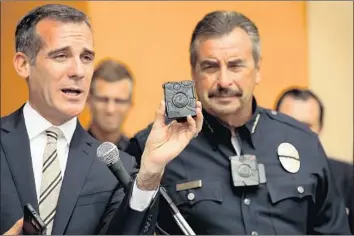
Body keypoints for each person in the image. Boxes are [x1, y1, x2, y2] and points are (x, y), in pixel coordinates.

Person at [125, 10, 351, 234]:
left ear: (258, 69)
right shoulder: (156, 148)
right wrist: (149, 175)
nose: (224, 81)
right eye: (210, 66)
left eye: (235, 65)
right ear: (193, 72)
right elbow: (125, 229)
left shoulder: (303, 141)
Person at [0, 4, 203, 235]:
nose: (78, 71)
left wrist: (149, 173)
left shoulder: (117, 168)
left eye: (86, 57)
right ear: (23, 64)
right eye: (61, 56)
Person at [275, 87, 354, 233]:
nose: (296, 133)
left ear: (320, 129)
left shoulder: (347, 176)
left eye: (306, 126)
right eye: (288, 123)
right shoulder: (260, 172)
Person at [87, 59, 134, 151]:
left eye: (119, 101)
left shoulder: (138, 157)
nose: (110, 109)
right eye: (103, 100)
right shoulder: (68, 152)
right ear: (89, 101)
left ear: (130, 105)